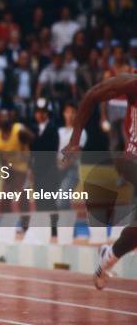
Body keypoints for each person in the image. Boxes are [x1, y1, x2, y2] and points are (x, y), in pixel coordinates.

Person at [62, 74, 137, 290]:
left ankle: (108, 258)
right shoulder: (133, 83)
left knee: (133, 236)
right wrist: (75, 139)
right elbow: (92, 94)